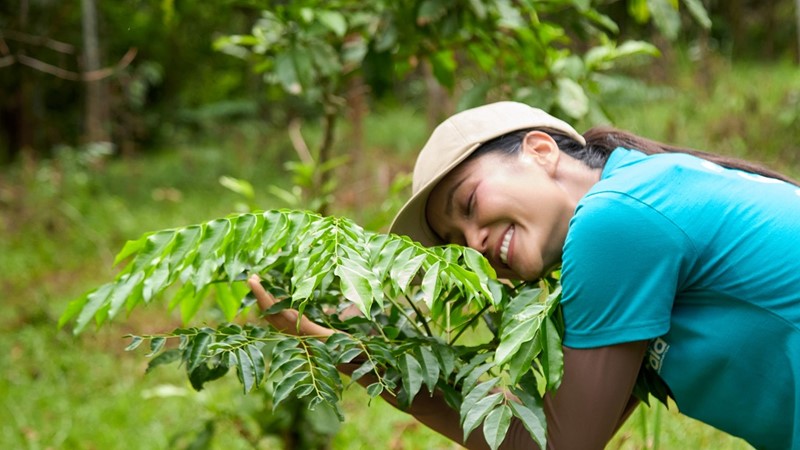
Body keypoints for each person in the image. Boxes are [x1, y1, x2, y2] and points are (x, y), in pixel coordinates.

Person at [249, 101, 800, 449]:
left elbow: (563, 445)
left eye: (469, 203)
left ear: (540, 150)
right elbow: (548, 435)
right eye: (456, 242)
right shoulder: (639, 196)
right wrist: (361, 350)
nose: (475, 243)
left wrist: (355, 354)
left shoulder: (616, 220)